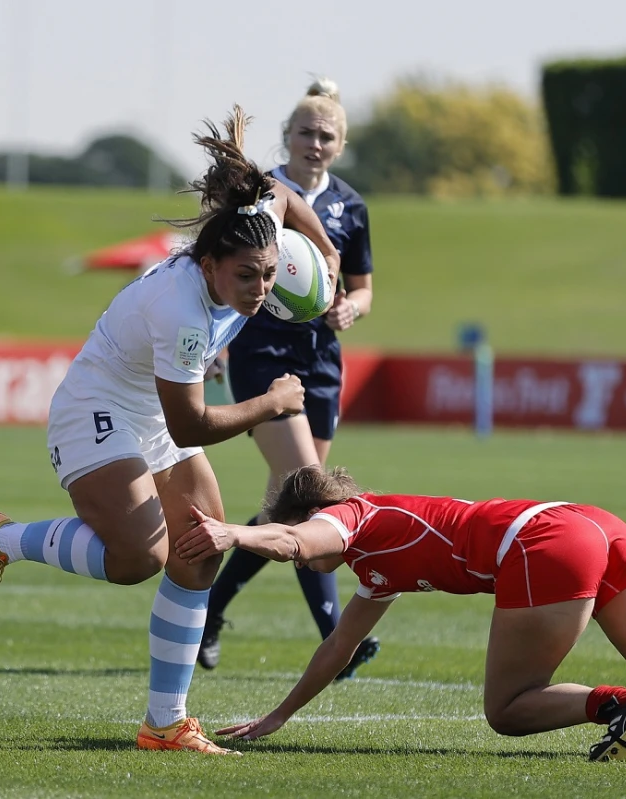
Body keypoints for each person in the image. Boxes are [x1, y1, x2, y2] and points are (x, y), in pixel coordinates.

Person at [0, 107, 340, 755]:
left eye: (268, 274)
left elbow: (283, 196)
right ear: (210, 264)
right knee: (138, 560)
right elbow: (191, 420)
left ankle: (165, 723)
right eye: (247, 275)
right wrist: (270, 403)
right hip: (94, 411)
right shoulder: (181, 310)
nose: (261, 288)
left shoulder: (250, 236)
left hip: (149, 409)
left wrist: (322, 247)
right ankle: (3, 539)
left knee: (201, 547)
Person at [175, 465, 626, 761]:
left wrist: (235, 534)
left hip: (543, 544)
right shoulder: (374, 565)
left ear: (312, 513)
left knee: (508, 709)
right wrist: (280, 715)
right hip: (592, 524)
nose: (301, 558)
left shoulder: (349, 518)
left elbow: (298, 542)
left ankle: (617, 704)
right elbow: (338, 646)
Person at [199, 78, 378, 677]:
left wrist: (353, 306)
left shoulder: (352, 206)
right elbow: (220, 271)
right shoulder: (260, 196)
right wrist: (214, 341)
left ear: (340, 144)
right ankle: (337, 639)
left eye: (327, 135)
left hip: (322, 360)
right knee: (310, 489)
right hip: (262, 354)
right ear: (287, 136)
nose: (315, 142)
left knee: (288, 504)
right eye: (306, 132)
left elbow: (363, 286)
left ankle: (210, 611)